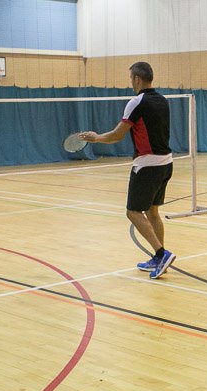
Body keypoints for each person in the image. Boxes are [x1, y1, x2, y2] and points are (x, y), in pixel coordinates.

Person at [81, 62, 176, 279]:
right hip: (166, 163)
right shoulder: (162, 100)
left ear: (137, 79)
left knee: (133, 212)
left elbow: (117, 134)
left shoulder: (136, 102)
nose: (130, 82)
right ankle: (159, 259)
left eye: (131, 77)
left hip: (147, 165)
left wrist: (96, 138)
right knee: (152, 212)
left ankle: (162, 254)